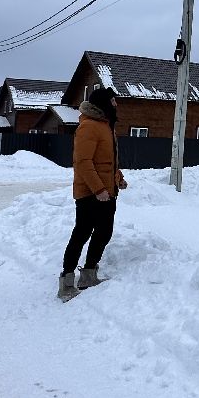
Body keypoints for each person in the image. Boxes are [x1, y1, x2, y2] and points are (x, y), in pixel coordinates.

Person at [59, 86, 127, 298]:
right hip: (90, 193)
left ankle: (88, 274)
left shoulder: (106, 125)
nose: (116, 104)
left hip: (107, 192)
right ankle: (66, 282)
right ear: (104, 103)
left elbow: (106, 161)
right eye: (113, 100)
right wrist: (98, 189)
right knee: (82, 233)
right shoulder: (89, 126)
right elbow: (83, 162)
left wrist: (118, 179)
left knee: (104, 232)